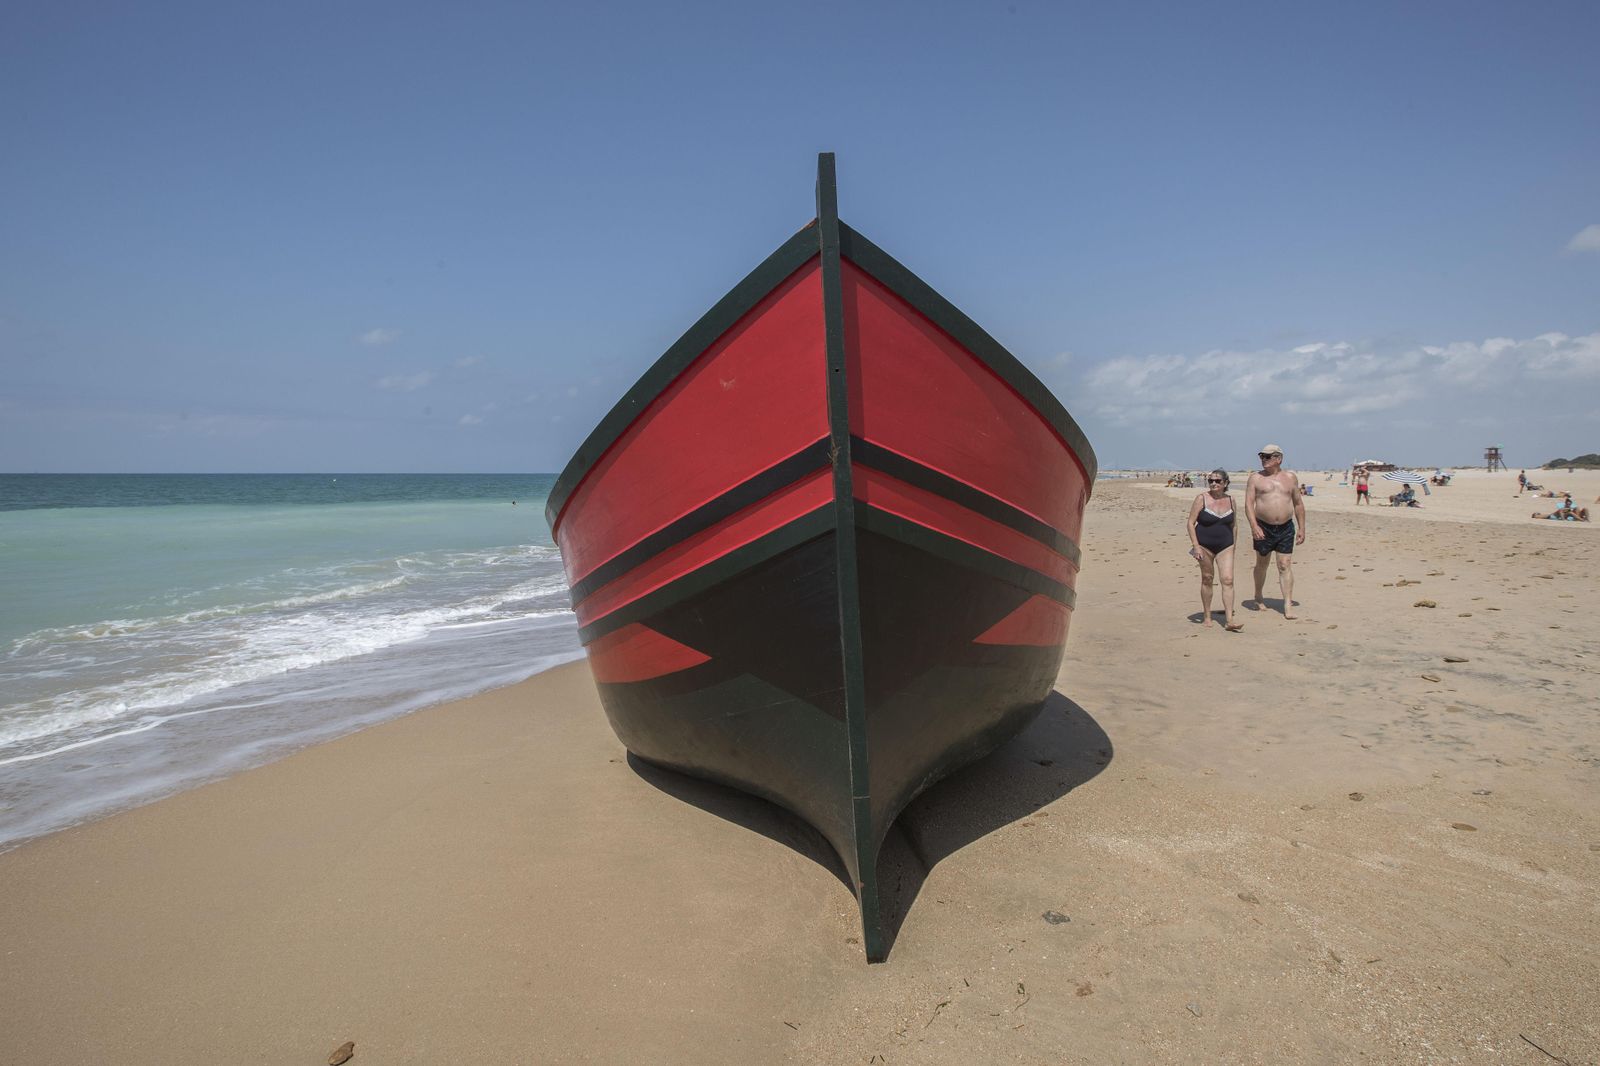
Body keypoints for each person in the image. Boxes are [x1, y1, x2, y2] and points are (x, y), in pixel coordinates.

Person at [1245, 444, 1305, 619]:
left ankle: (1287, 604)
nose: (1263, 459)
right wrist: (1254, 526)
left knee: (1284, 564)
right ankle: (1258, 595)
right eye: (1262, 456)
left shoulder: (1290, 478)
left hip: (1286, 527)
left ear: (1278, 458)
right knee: (1262, 564)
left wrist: (1302, 527)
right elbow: (1249, 504)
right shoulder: (1255, 478)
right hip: (1263, 526)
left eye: (1268, 456)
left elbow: (1298, 503)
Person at [1186, 468, 1243, 632]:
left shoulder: (1232, 500)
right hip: (1204, 546)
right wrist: (1195, 546)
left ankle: (1230, 620)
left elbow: (1234, 525)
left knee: (1228, 579)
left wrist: (1234, 545)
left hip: (1226, 545)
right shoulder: (1201, 499)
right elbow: (1190, 523)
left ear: (1225, 483)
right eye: (1211, 480)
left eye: (1218, 481)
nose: (1213, 483)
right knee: (1207, 578)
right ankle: (1207, 616)